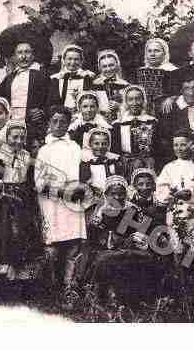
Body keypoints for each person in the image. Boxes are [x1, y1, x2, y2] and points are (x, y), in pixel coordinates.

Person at [34, 107, 87, 295]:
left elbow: (82, 174)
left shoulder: (75, 147)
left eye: (63, 122)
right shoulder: (43, 150)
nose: (58, 125)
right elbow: (39, 183)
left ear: (68, 123)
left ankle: (69, 286)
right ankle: (50, 288)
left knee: (73, 245)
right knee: (52, 246)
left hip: (73, 202)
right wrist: (62, 191)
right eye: (54, 121)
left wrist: (79, 190)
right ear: (49, 123)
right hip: (51, 202)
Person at [84, 175, 158, 303]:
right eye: (113, 194)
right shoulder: (100, 210)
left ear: (126, 194)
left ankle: (138, 297)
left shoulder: (132, 209)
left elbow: (143, 230)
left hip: (130, 246)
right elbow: (96, 237)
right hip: (105, 248)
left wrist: (138, 238)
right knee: (106, 259)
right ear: (106, 194)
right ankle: (104, 295)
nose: (118, 197)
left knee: (146, 257)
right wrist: (119, 241)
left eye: (121, 194)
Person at [0, 120, 42, 279]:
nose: (18, 141)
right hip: (4, 202)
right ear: (7, 137)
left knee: (22, 234)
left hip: (22, 201)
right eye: (14, 137)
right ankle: (2, 273)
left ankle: (21, 275)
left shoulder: (27, 156)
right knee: (5, 234)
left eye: (22, 137)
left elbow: (30, 181)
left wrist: (30, 194)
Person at [156, 129, 194, 239]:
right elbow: (160, 191)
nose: (179, 148)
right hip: (176, 213)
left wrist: (192, 194)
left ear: (191, 145)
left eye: (183, 145)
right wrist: (175, 195)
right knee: (178, 246)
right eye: (176, 145)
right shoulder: (169, 168)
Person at [0, 40, 50, 150]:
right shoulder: (10, 78)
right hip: (12, 125)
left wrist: (42, 111)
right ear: (15, 56)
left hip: (33, 126)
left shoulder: (42, 75)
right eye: (19, 53)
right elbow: (0, 98)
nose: (23, 56)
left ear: (33, 55)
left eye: (27, 52)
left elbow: (50, 100)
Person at [158, 75, 194, 166]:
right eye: (186, 88)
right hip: (177, 159)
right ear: (181, 91)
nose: (191, 93)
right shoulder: (170, 108)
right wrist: (186, 148)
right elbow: (164, 137)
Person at [111, 85, 159, 178]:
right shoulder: (118, 124)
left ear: (143, 100)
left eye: (138, 99)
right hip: (126, 165)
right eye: (130, 99)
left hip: (148, 164)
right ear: (126, 102)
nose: (135, 103)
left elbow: (157, 147)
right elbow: (115, 150)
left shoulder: (151, 121)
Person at [135, 38, 178, 116]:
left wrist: (172, 98)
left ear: (164, 53)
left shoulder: (173, 71)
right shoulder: (141, 72)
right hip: (144, 111)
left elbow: (182, 91)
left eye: (157, 51)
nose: (152, 54)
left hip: (166, 111)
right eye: (149, 51)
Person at [79, 127, 123, 202]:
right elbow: (82, 183)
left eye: (104, 144)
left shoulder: (114, 160)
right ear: (90, 144)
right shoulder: (86, 162)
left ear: (108, 144)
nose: (100, 147)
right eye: (96, 143)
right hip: (93, 198)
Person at [48, 45, 95, 111]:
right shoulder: (55, 79)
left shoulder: (88, 77)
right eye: (69, 59)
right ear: (64, 60)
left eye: (76, 59)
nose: (72, 62)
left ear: (81, 61)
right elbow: (51, 103)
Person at [91, 49, 130, 121]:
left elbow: (130, 106)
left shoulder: (125, 85)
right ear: (100, 68)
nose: (108, 69)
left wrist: (119, 106)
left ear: (117, 65)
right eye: (104, 66)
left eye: (111, 65)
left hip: (121, 120)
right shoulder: (94, 85)